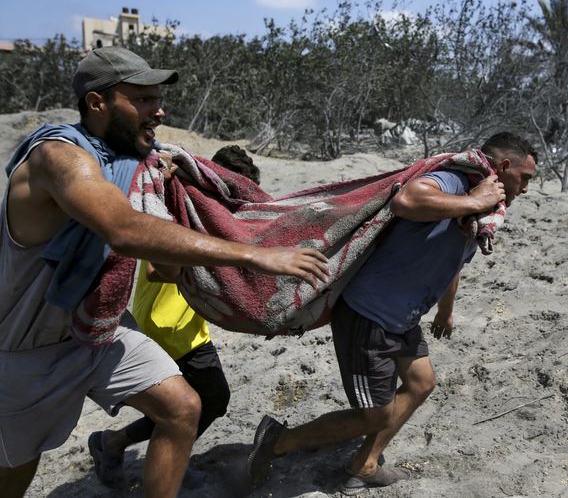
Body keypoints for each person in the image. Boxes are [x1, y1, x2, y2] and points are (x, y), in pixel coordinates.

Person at [0, 47, 328, 498]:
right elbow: (123, 228)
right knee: (15, 472)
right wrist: (253, 256)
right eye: (142, 99)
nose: (159, 109)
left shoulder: (131, 158)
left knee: (182, 406)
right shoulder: (58, 157)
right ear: (97, 103)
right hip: (26, 347)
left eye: (157, 98)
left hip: (98, 331)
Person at [247, 132, 536, 495]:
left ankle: (363, 464)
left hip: (403, 316)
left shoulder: (480, 211)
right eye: (524, 178)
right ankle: (277, 441)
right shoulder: (458, 181)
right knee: (375, 415)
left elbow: (451, 260)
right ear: (505, 167)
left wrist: (445, 311)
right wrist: (472, 199)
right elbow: (407, 200)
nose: (525, 188)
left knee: (421, 383)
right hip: (370, 313)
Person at [86, 145, 262, 489]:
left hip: (185, 322)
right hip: (167, 324)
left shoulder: (197, 213)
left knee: (194, 403)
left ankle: (120, 446)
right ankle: (120, 447)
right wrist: (217, 269)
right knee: (209, 400)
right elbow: (154, 269)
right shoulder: (176, 209)